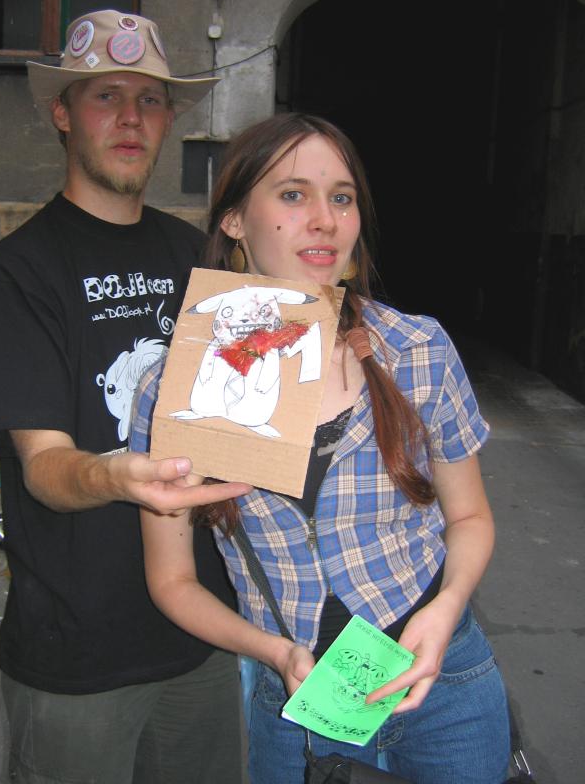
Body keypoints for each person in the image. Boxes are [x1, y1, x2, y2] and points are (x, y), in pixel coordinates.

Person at [130, 113, 511, 784]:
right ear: (234, 221)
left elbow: (471, 516)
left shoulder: (417, 349)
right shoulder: (177, 389)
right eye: (292, 194)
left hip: (444, 681)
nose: (325, 220)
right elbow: (172, 581)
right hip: (297, 703)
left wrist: (447, 607)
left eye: (341, 197)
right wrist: (274, 653)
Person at [0, 9, 250, 784]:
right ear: (63, 114)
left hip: (202, 635)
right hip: (77, 657)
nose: (131, 117)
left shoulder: (197, 254)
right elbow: (43, 467)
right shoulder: (17, 272)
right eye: (107, 96)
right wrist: (117, 474)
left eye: (150, 99)